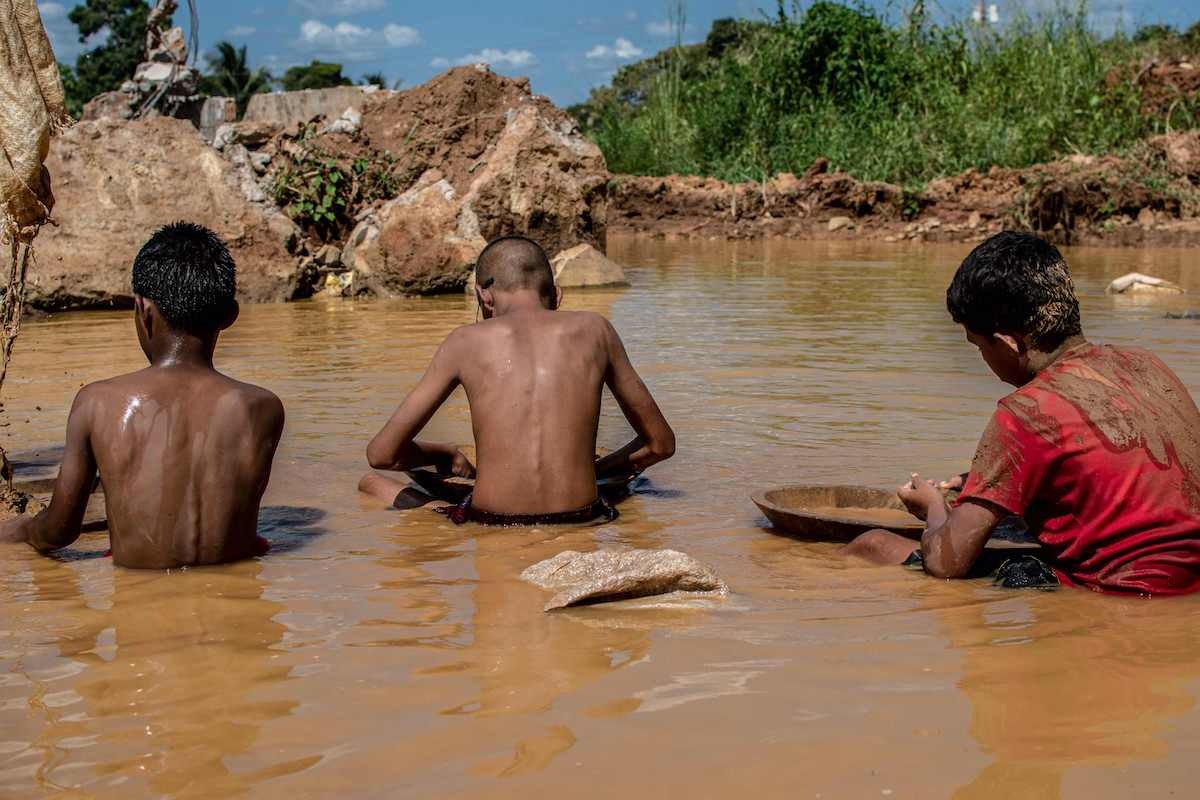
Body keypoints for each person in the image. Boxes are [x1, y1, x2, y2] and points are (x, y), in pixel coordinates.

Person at [845, 231, 1200, 596]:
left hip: (1126, 595)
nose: (982, 359)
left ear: (1007, 343)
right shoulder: (1145, 366)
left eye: (978, 346)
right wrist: (979, 481)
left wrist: (933, 507)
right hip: (1192, 583)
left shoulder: (1025, 412)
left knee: (872, 543)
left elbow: (945, 563)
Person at [0, 222, 285, 568]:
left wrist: (20, 531)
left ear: (143, 310)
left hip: (143, 607)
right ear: (230, 317)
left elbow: (58, 531)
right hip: (235, 606)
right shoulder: (264, 408)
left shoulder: (97, 402)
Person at [359, 235, 675, 525]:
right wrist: (596, 471)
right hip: (582, 516)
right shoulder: (597, 330)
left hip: (491, 520)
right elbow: (660, 445)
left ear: (484, 297)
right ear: (557, 295)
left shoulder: (464, 341)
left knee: (370, 483)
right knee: (633, 489)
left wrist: (446, 455)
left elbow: (382, 454)